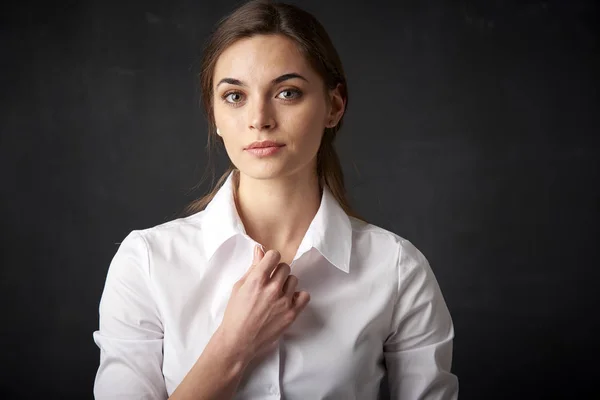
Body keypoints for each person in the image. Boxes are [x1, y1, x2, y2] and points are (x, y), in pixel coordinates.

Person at [92, 0, 459, 399]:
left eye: (287, 92)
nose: (259, 119)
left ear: (334, 106)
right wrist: (233, 345)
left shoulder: (398, 270)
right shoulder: (146, 263)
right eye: (235, 96)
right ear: (214, 115)